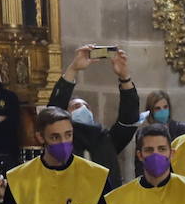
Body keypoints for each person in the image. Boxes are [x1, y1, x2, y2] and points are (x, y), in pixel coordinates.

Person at [46, 46, 140, 180]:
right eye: (77, 106)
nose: (83, 110)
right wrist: (73, 69)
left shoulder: (104, 140)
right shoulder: (63, 143)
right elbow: (52, 114)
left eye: (86, 107)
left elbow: (129, 120)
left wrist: (125, 78)